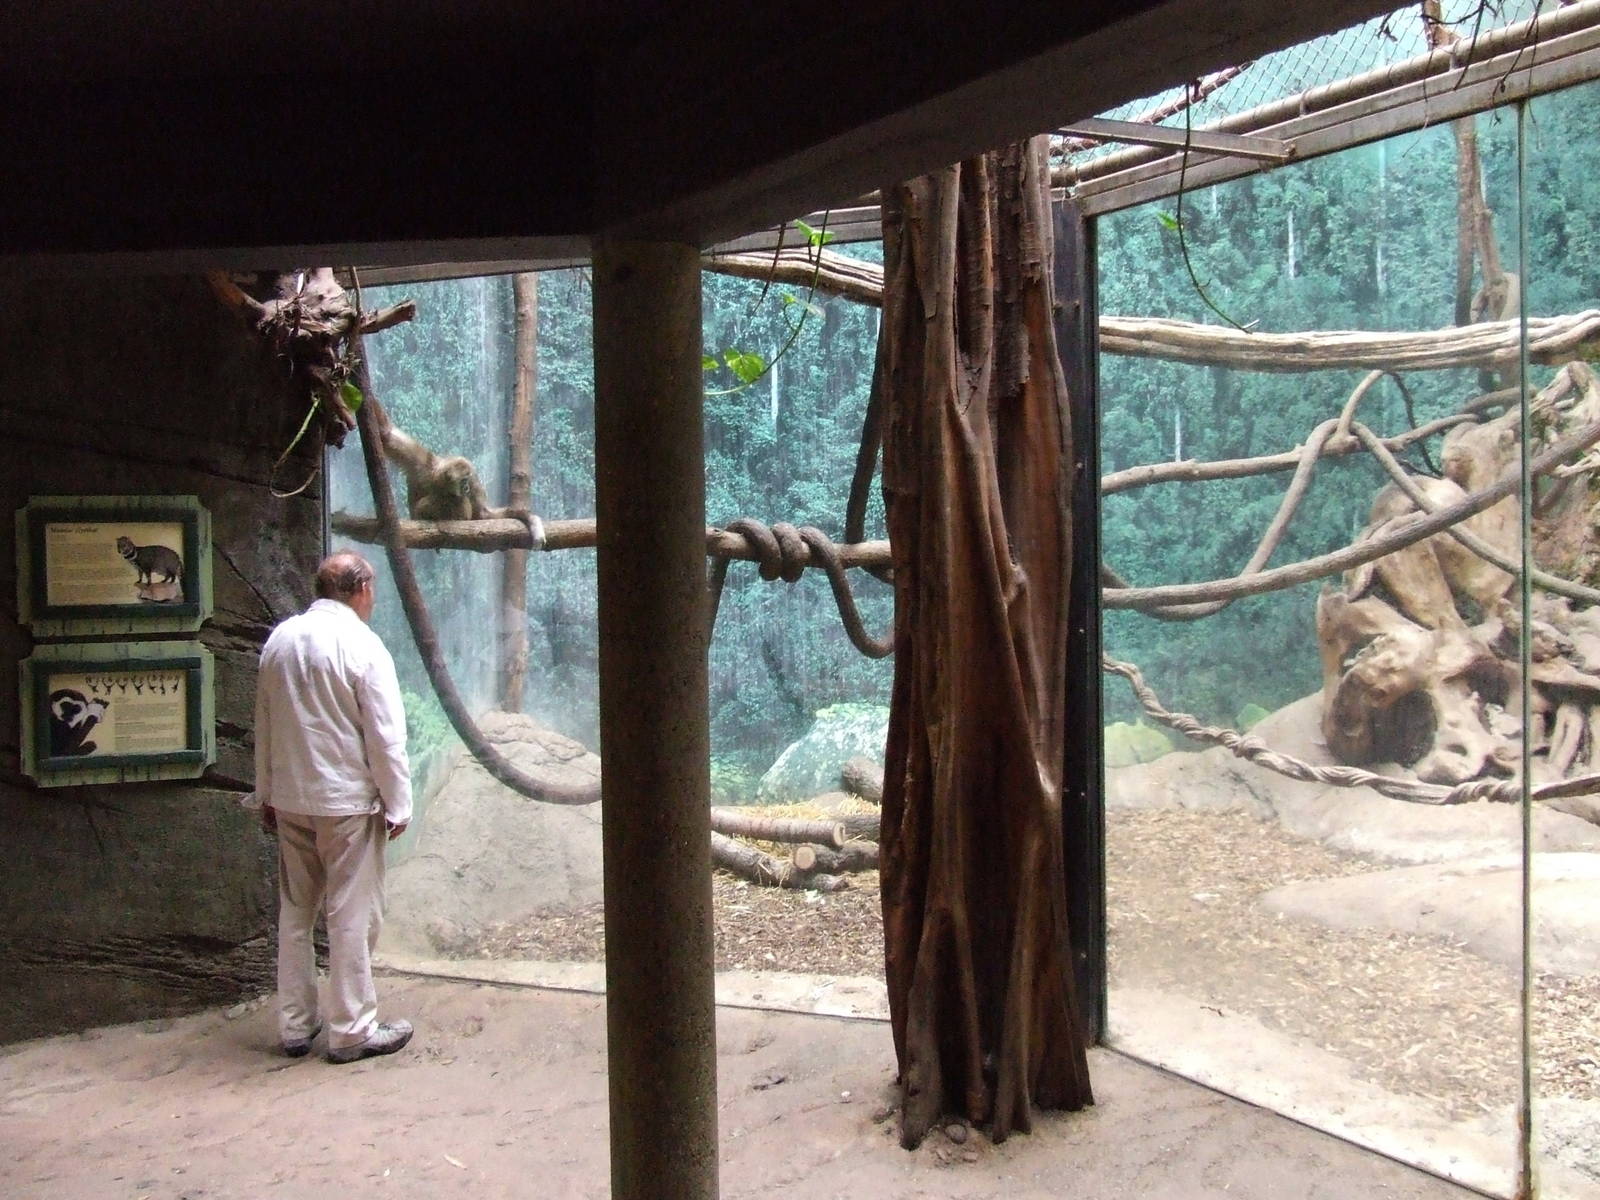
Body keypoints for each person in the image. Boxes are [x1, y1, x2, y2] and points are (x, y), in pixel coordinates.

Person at [249, 550, 415, 1064]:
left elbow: (265, 722)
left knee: (296, 914)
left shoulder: (281, 639)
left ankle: (296, 1027)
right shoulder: (363, 645)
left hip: (292, 799)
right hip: (346, 802)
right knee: (350, 914)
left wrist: (264, 793)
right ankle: (352, 1031)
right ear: (361, 589)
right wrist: (398, 802)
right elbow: (385, 737)